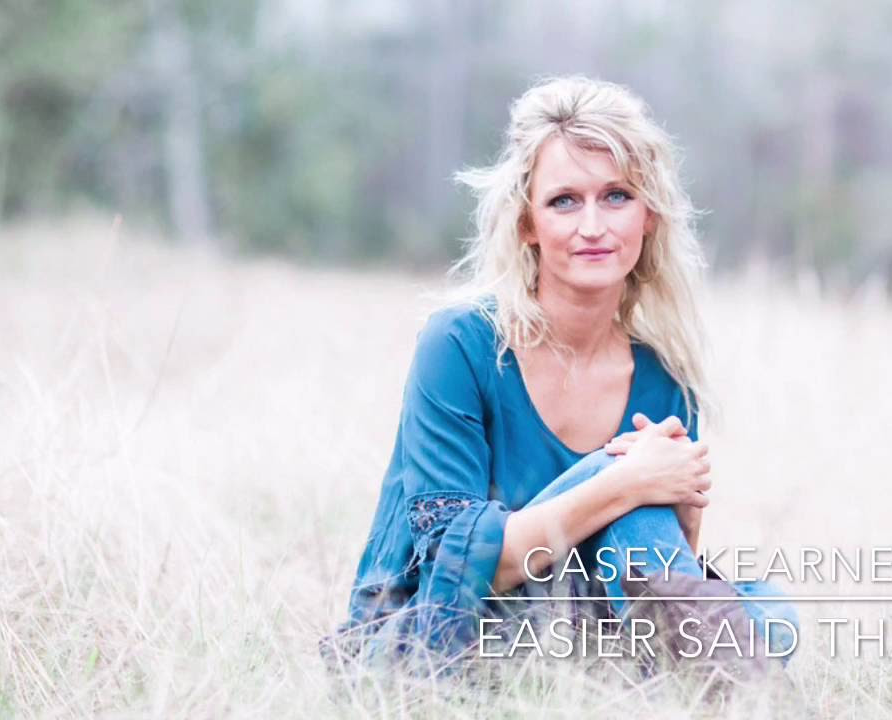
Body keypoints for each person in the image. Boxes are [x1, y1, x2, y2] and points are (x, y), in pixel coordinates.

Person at [321, 75, 798, 679]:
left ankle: (704, 682)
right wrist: (624, 483)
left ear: (649, 215)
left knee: (774, 613)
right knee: (625, 477)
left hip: (572, 638)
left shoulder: (665, 381)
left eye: (617, 196)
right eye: (564, 201)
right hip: (435, 637)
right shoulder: (460, 346)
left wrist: (680, 502)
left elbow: (655, 562)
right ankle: (730, 686)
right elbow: (456, 570)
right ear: (527, 223)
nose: (592, 226)